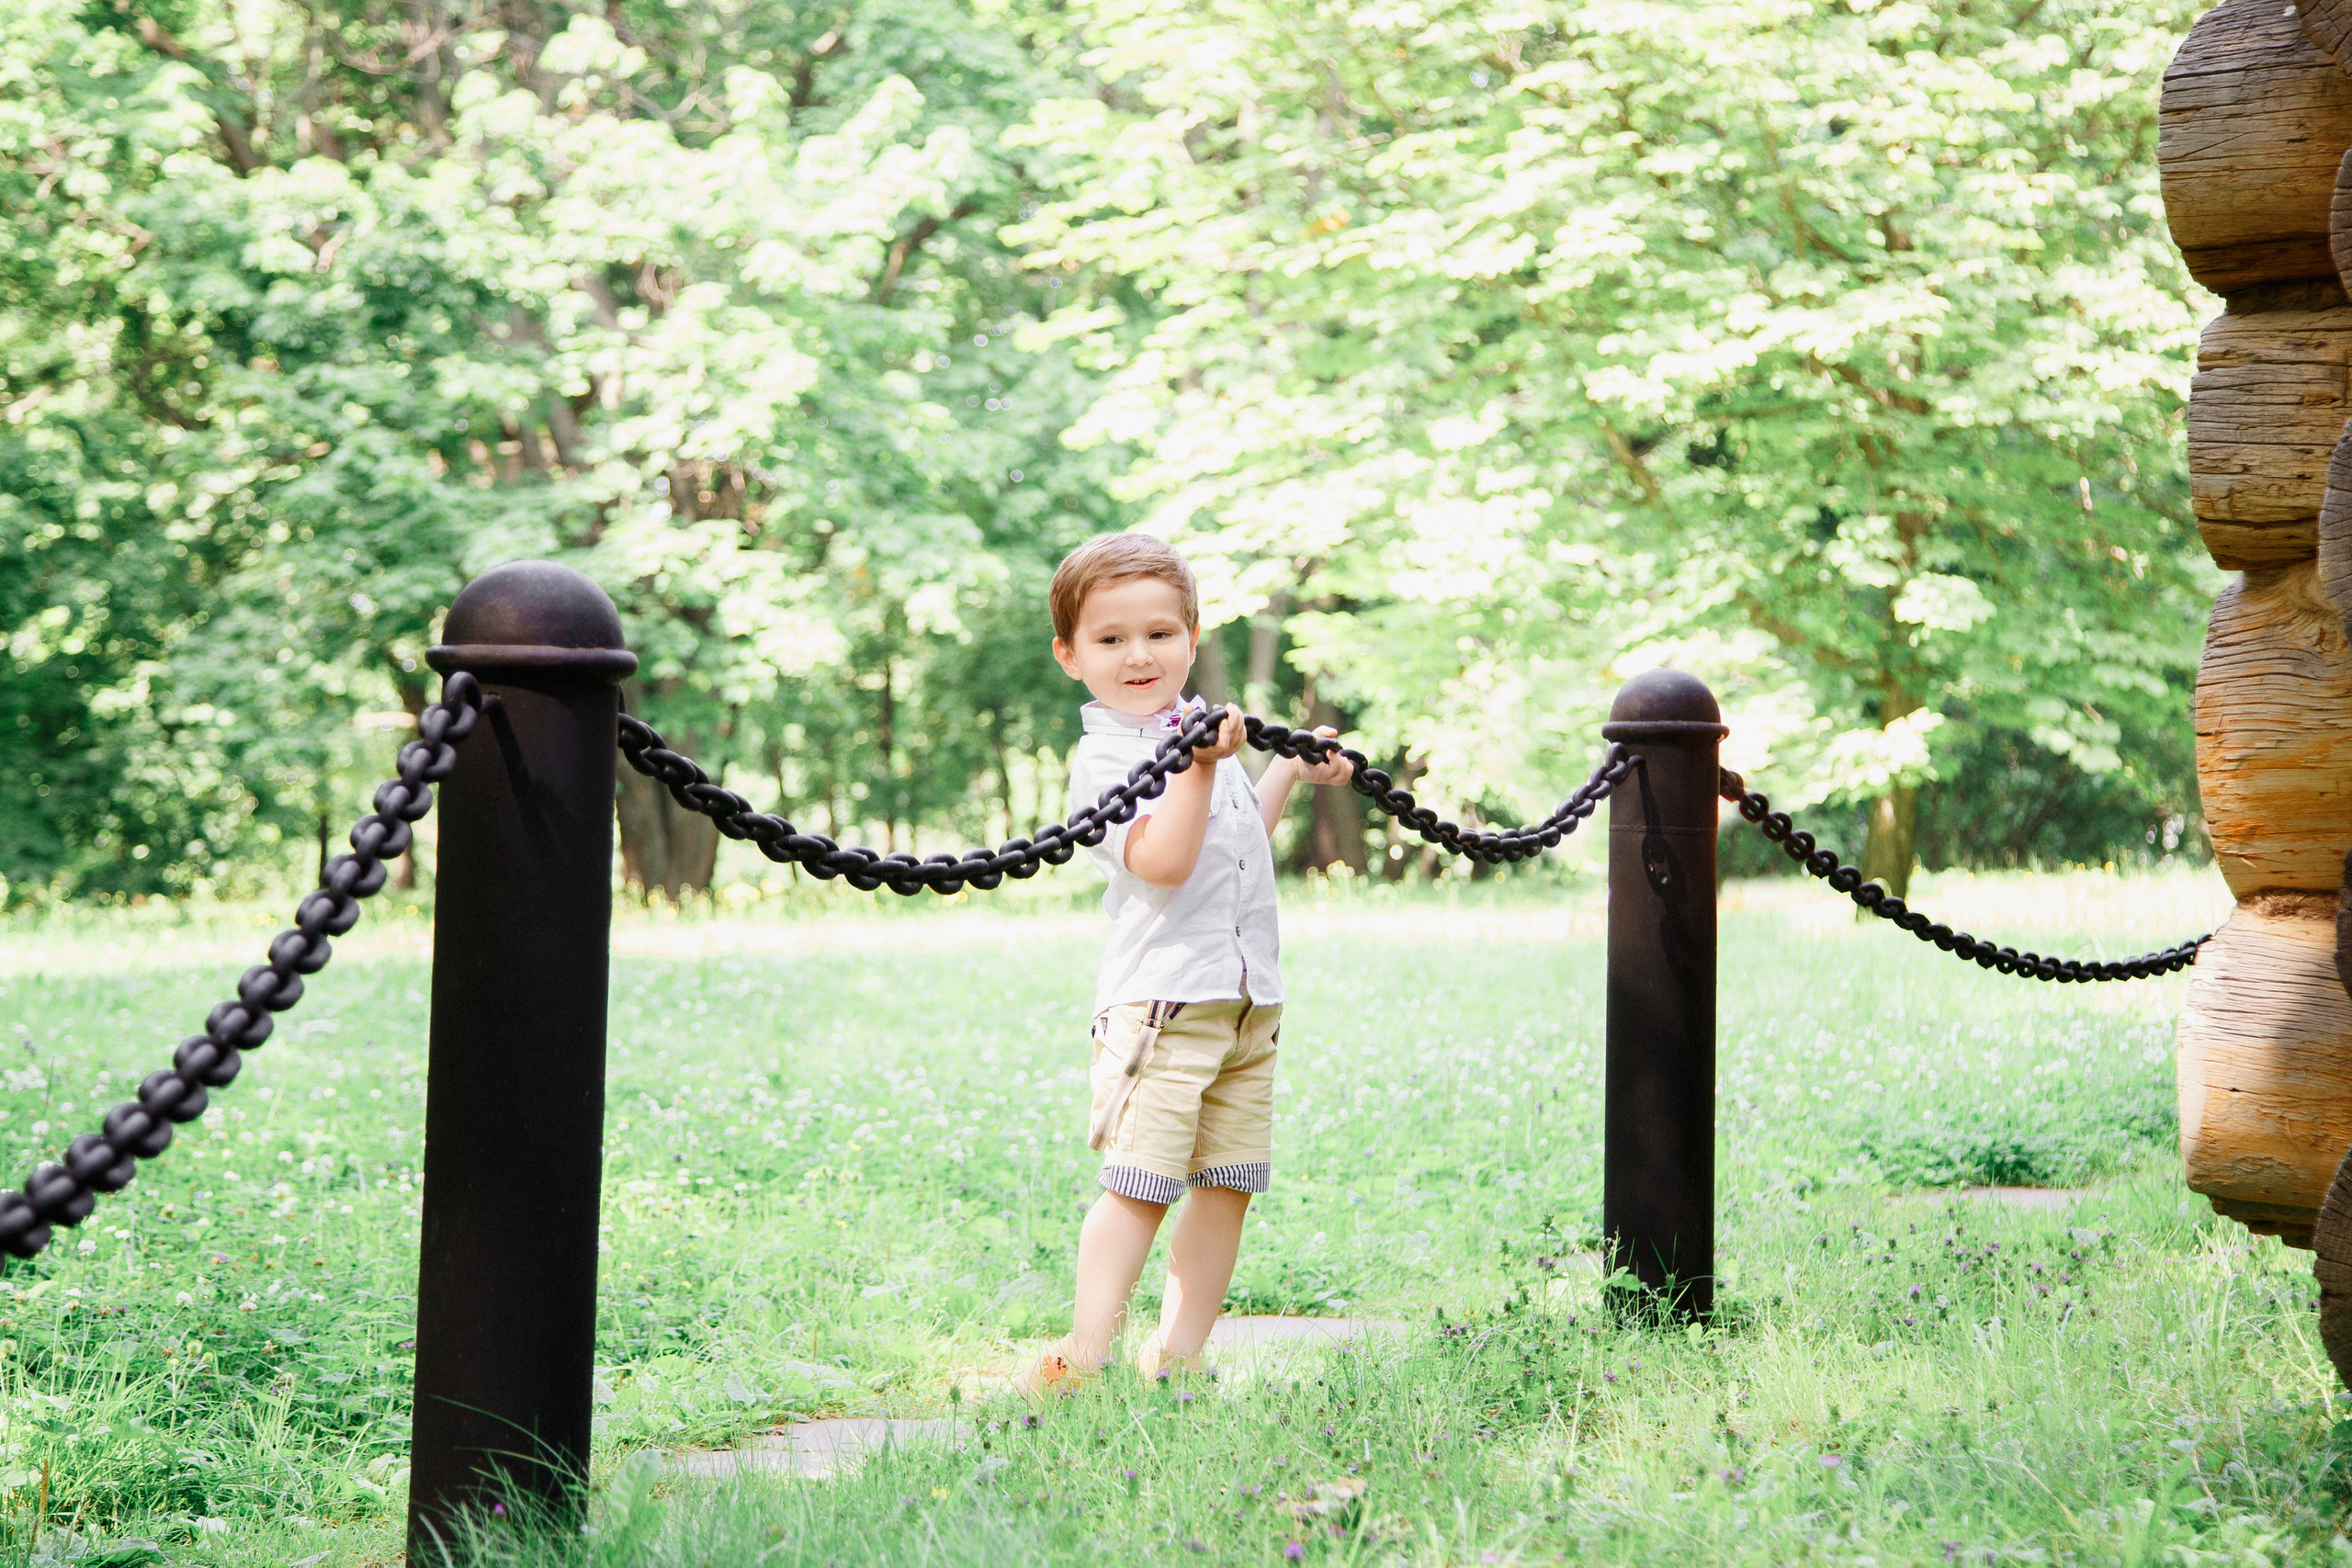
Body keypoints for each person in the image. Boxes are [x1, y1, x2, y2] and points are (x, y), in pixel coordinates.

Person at [1014, 533, 1353, 1397]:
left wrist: (1281, 768)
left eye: (1160, 633)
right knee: (1140, 1185)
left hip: (1243, 1002)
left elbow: (1234, 836)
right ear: (1069, 655)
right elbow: (1163, 861)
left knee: (1227, 1184)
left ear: (1191, 638)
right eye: (1111, 638)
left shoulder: (1196, 735)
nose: (1139, 654)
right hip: (1160, 1005)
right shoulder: (1107, 757)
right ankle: (1082, 1359)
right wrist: (1203, 766)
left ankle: (1180, 1353)